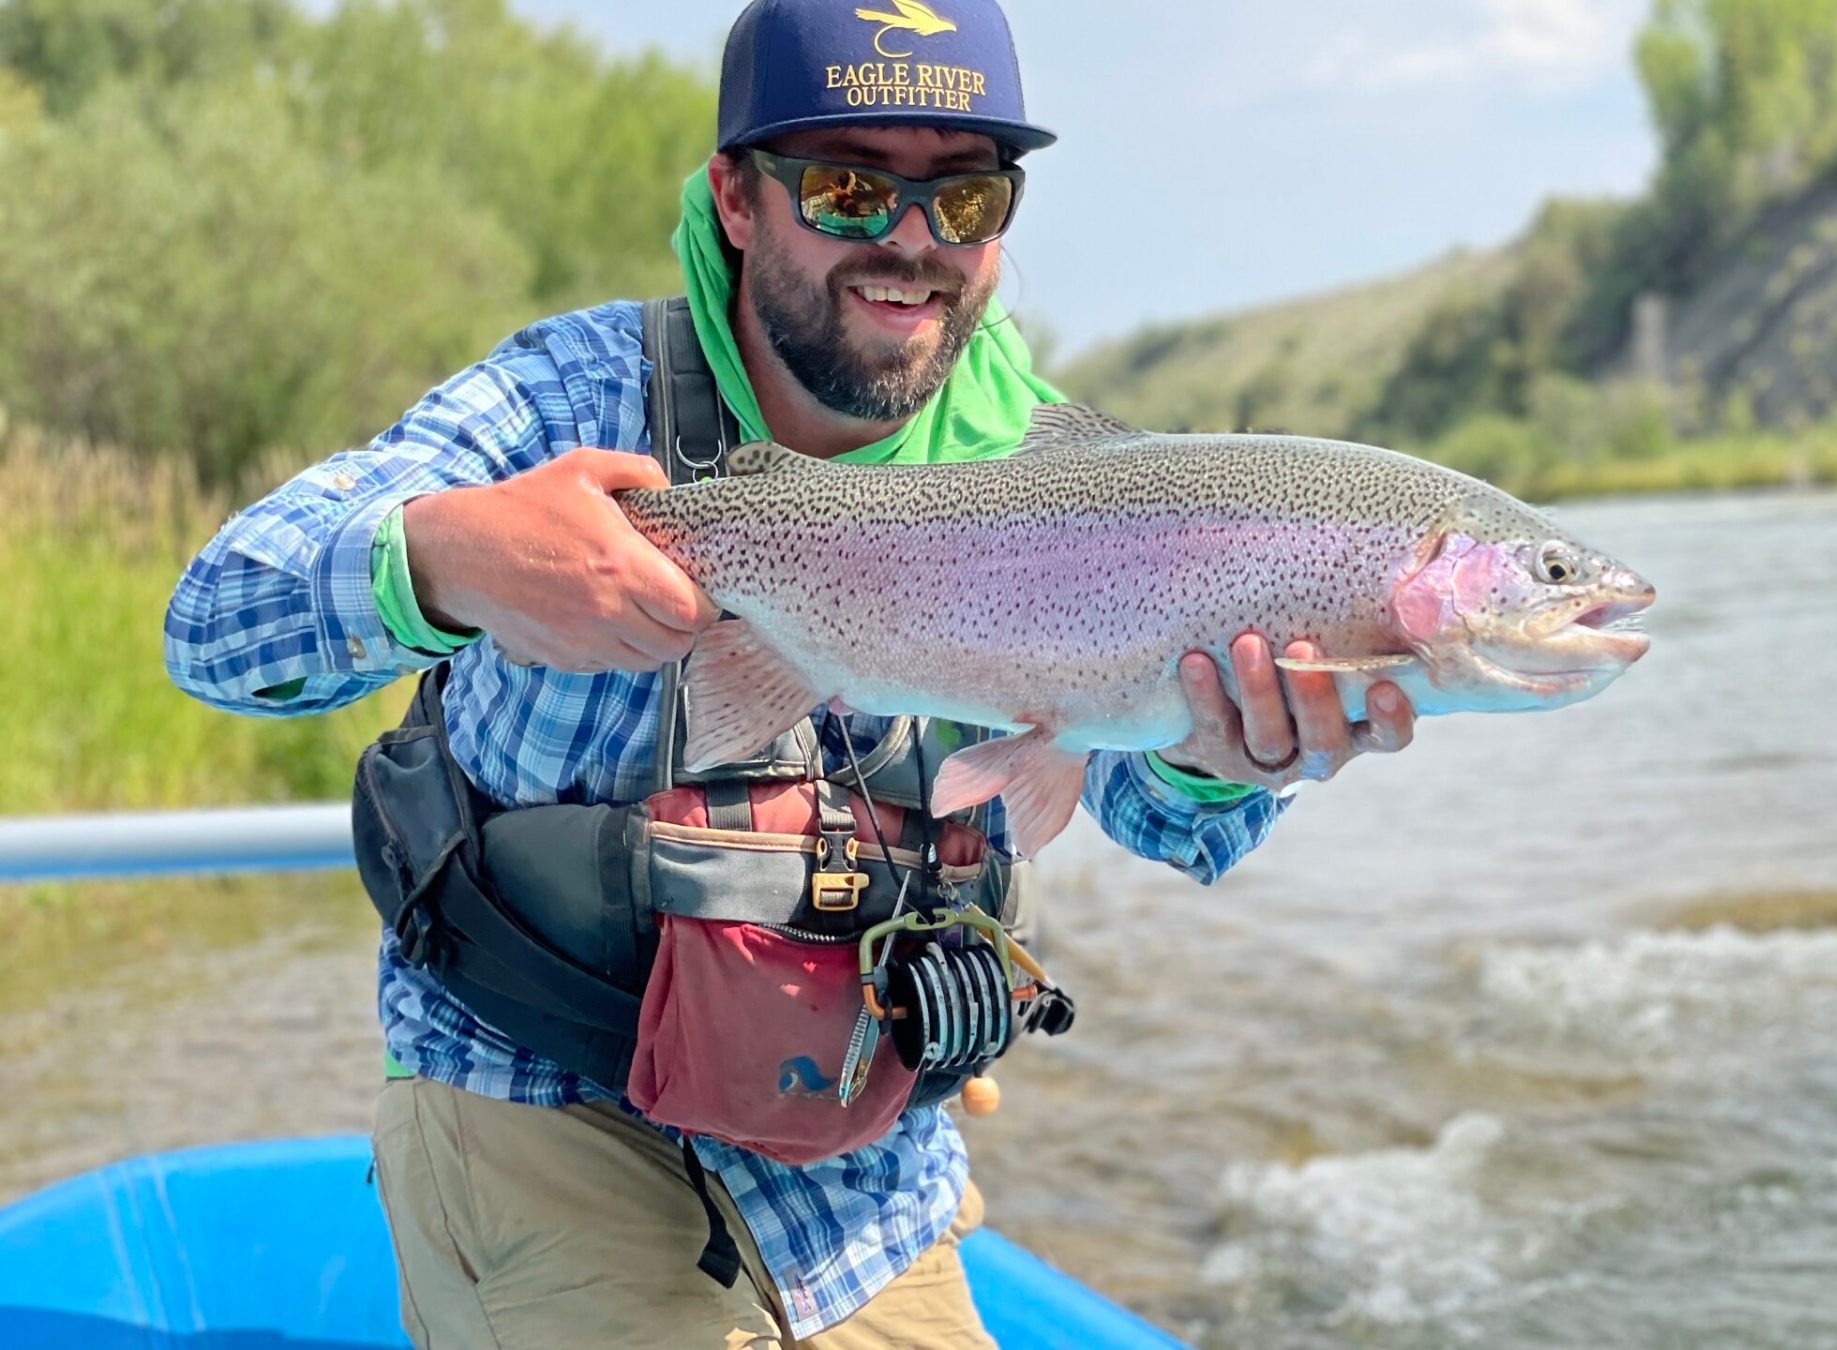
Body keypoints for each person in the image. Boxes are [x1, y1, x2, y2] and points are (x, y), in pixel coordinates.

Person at [163, 0, 1417, 1344]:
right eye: (848, 185)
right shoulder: (572, 400)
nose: (913, 240)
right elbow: (217, 623)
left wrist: (1218, 749)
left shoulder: (1054, 474)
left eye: (967, 194)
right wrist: (446, 558)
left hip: (867, 1181)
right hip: (544, 1116)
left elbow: (1170, 824)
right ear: (737, 198)